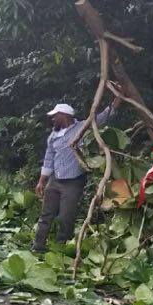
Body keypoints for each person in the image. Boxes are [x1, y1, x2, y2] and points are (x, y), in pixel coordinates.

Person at [32, 86, 123, 252]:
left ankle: (62, 249)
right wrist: (41, 182)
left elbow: (104, 117)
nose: (52, 119)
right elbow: (48, 159)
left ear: (64, 116)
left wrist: (118, 98)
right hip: (54, 181)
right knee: (46, 215)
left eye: (55, 116)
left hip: (73, 182)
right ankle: (38, 246)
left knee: (67, 217)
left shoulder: (82, 127)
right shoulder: (53, 136)